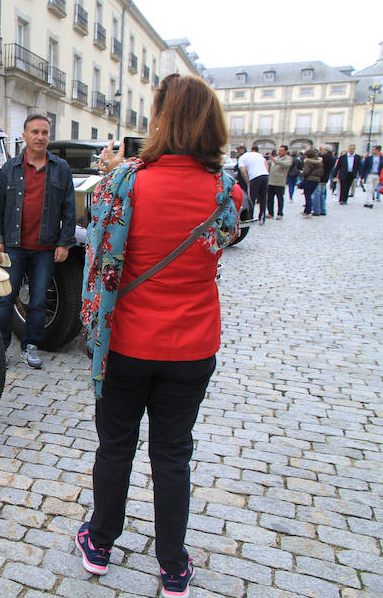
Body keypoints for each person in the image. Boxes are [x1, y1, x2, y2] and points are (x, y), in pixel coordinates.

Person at [78, 74, 242, 598]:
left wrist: (112, 169)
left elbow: (98, 254)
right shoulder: (225, 191)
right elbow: (222, 243)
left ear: (160, 119)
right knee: (173, 455)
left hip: (127, 342)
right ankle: (173, 565)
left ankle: (100, 543)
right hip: (192, 345)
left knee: (116, 446)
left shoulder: (122, 184)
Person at [0, 113, 75, 369]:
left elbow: (69, 210)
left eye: (45, 132)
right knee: (5, 298)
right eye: (35, 132)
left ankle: (30, 346)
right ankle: (0, 348)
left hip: (45, 249)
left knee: (38, 301)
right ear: (25, 136)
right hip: (14, 247)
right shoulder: (10, 168)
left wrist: (64, 242)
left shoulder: (60, 168)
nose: (40, 137)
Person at [239, 145, 269, 224]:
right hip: (265, 175)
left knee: (252, 198)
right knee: (263, 197)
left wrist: (247, 182)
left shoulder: (242, 158)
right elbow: (266, 164)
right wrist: (266, 173)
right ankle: (262, 217)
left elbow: (243, 171)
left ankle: (250, 217)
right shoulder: (259, 155)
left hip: (254, 177)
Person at [267, 145, 292, 219]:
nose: (279, 152)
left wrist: (275, 160)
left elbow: (285, 165)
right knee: (270, 198)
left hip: (280, 182)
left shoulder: (288, 159)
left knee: (280, 198)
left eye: (281, 150)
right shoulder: (276, 158)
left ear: (286, 151)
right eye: (279, 150)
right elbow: (270, 164)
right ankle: (270, 213)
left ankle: (280, 213)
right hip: (271, 181)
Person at [311, 144, 335, 216]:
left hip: (319, 177)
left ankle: (316, 210)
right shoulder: (332, 157)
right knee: (322, 194)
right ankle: (323, 209)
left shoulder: (323, 157)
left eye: (322, 150)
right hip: (326, 177)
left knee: (317, 194)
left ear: (326, 150)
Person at [300, 149, 323, 216]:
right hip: (316, 179)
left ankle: (307, 211)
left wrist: (302, 173)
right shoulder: (319, 162)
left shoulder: (308, 162)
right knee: (311, 195)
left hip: (309, 179)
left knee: (307, 196)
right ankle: (308, 210)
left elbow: (306, 172)